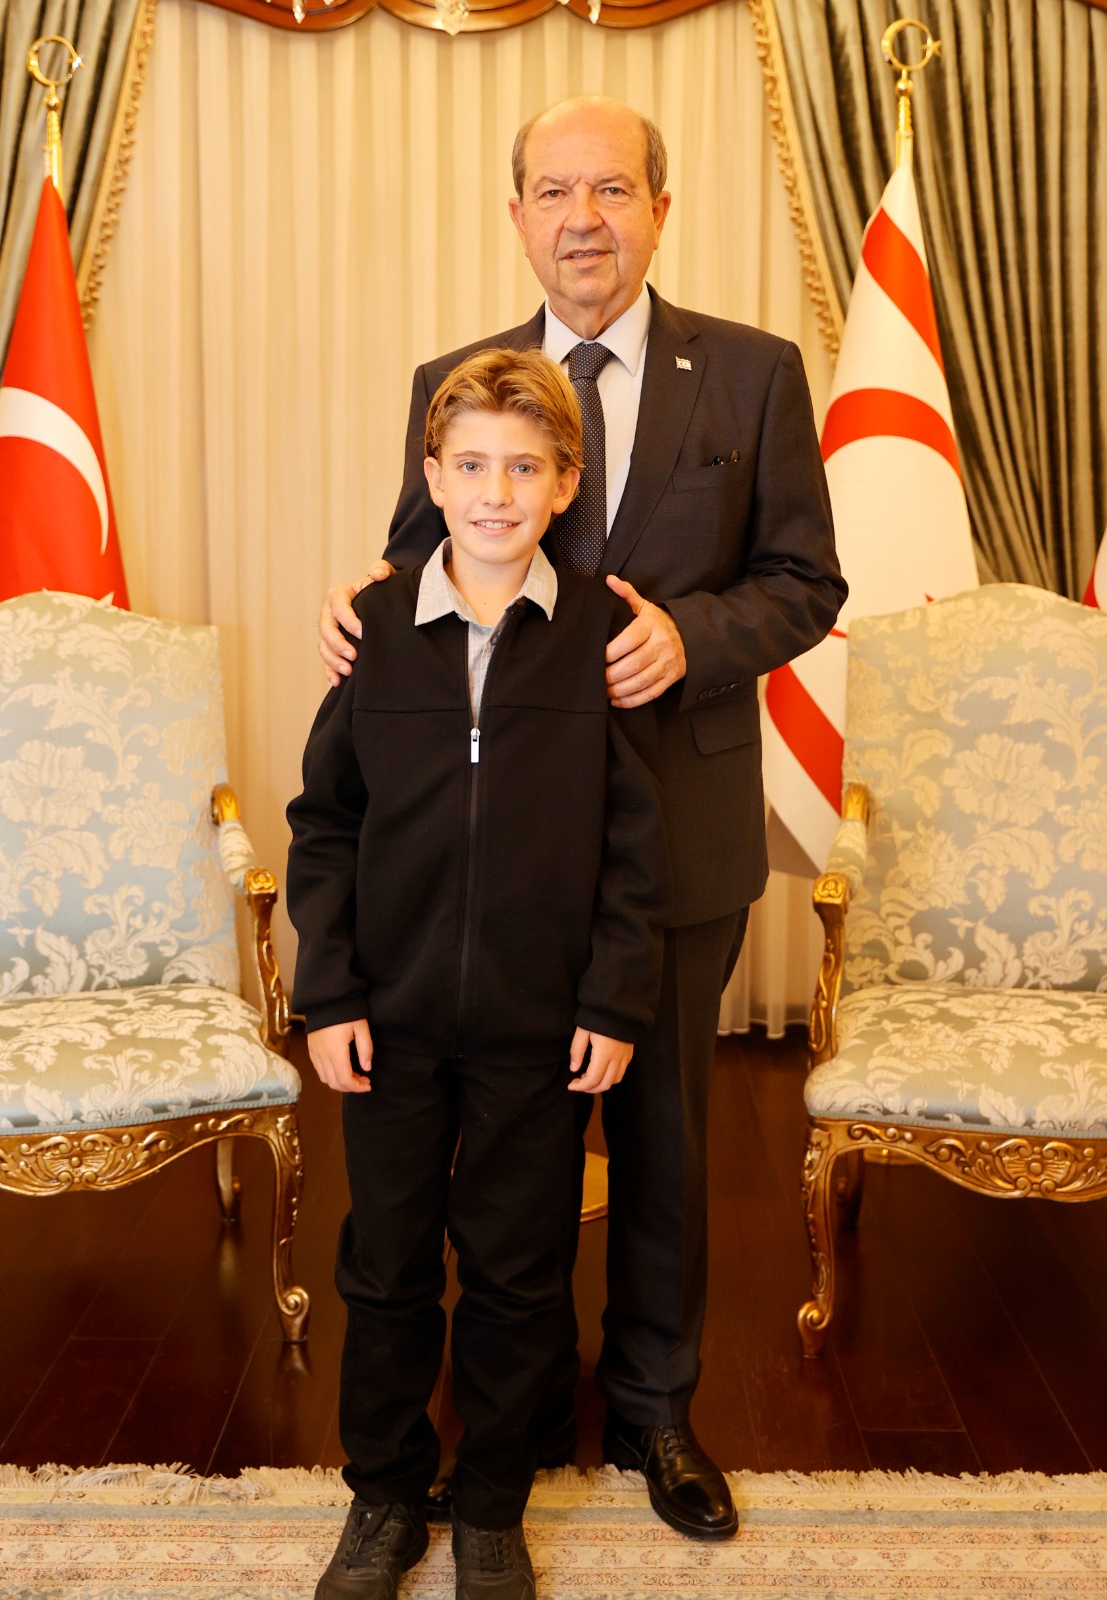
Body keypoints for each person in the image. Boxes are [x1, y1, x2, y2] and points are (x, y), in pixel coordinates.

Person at [318, 96, 846, 1542]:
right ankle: (521, 1400)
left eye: (611, 188)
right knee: (513, 1141)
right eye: (553, 191)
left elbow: (807, 581)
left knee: (663, 1134)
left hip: (674, 828)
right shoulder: (457, 381)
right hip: (494, 864)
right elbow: (424, 556)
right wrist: (354, 600)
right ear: (517, 217)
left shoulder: (751, 373)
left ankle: (656, 1407)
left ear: (659, 209)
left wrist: (691, 635)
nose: (582, 218)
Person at [288, 348, 669, 1600]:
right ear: (433, 477)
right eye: (471, 466)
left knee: (518, 1273)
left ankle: (493, 1503)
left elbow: (633, 843)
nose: (496, 492)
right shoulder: (376, 630)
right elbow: (325, 825)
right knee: (385, 1266)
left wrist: (611, 997)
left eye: (523, 467)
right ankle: (387, 1497)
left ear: (565, 483)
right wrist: (328, 992)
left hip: (536, 1027)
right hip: (387, 1025)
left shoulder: (603, 636)